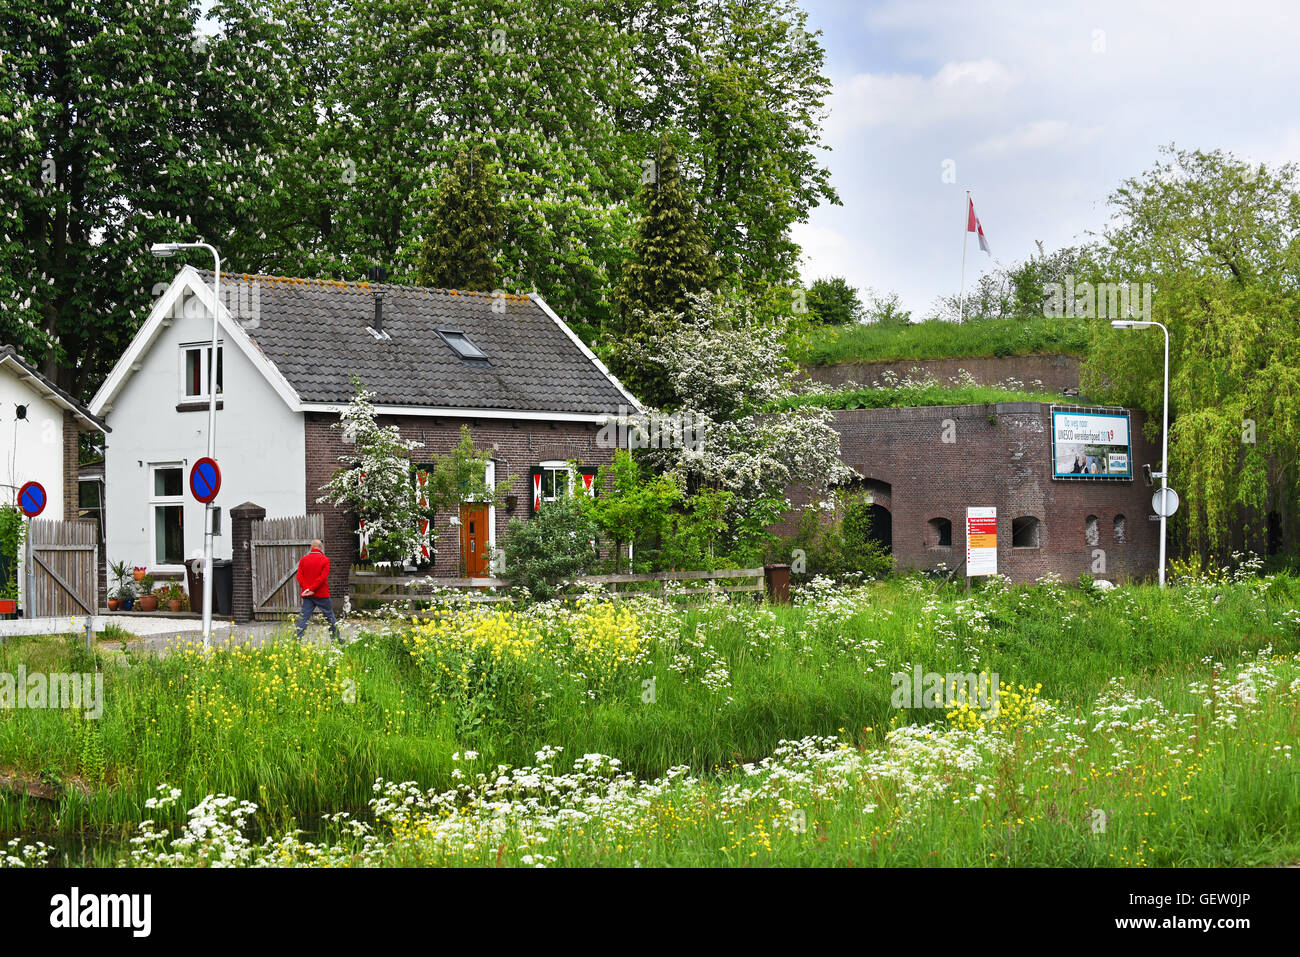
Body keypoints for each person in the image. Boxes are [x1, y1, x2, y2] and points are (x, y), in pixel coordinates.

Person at [295, 539, 340, 642]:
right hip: (322, 594)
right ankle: (337, 640)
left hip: (308, 595)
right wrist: (312, 589)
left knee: (303, 618)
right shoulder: (325, 560)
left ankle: (296, 639)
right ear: (321, 547)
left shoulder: (303, 559)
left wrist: (307, 589)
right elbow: (322, 578)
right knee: (330, 616)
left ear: (311, 547)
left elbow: (299, 576)